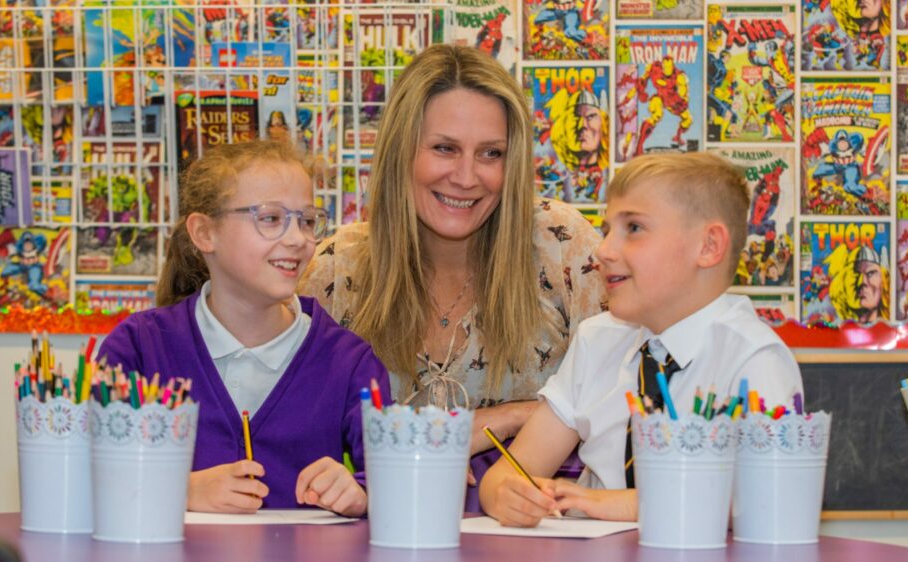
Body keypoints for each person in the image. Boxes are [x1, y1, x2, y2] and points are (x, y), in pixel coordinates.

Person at [298, 44, 605, 508]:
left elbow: (627, 405)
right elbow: (296, 427)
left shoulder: (563, 247)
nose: (466, 177)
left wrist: (519, 420)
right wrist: (498, 420)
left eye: (490, 153)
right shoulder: (335, 269)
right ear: (401, 151)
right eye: (445, 148)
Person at [478, 152, 804, 526]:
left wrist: (623, 504)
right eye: (607, 230)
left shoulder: (754, 359)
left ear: (709, 246)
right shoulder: (596, 340)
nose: (603, 250)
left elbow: (769, 496)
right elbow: (507, 474)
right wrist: (507, 494)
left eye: (633, 228)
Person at [98, 140, 390, 516]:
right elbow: (87, 472)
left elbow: (394, 480)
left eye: (306, 220)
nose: (298, 239)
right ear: (205, 233)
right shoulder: (138, 347)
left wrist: (360, 494)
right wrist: (179, 489)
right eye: (270, 219)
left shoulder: (350, 362)